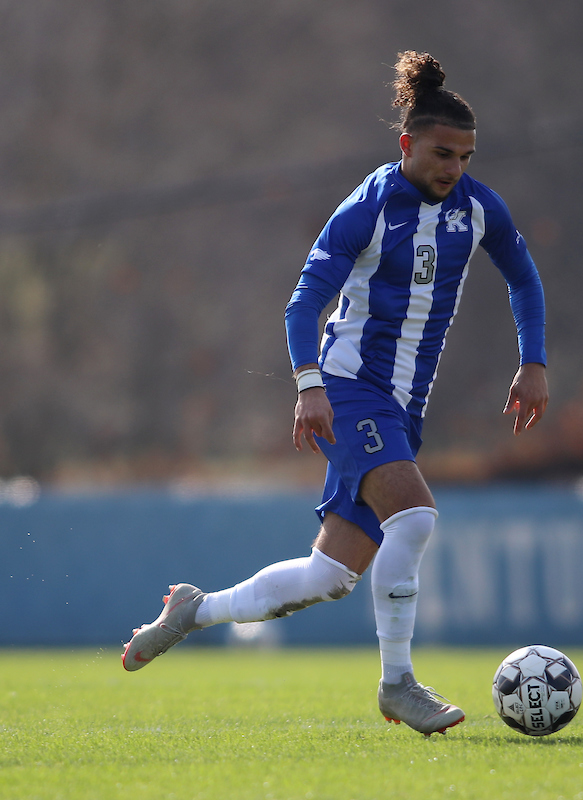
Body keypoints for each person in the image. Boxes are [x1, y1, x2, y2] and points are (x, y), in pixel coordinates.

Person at [121, 51, 549, 737]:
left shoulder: (477, 208)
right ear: (408, 144)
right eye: (443, 153)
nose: (454, 169)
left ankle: (193, 610)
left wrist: (534, 363)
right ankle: (399, 684)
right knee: (415, 518)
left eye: (466, 157)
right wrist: (310, 386)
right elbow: (302, 306)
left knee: (329, 577)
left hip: (403, 412)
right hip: (352, 390)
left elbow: (524, 280)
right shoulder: (371, 208)